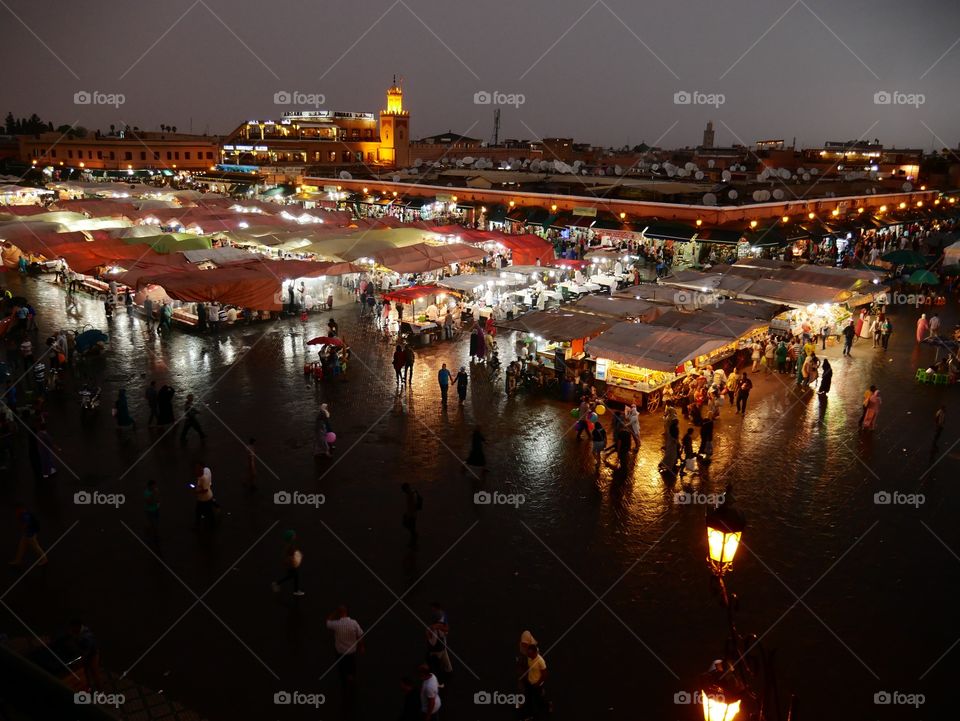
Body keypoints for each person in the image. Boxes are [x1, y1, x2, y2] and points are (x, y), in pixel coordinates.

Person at [326, 605, 364, 688]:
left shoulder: (336, 624)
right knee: (352, 668)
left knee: (342, 669)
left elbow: (328, 622)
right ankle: (351, 680)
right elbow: (360, 635)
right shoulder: (354, 623)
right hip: (351, 652)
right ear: (346, 612)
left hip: (340, 652)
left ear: (339, 614)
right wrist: (361, 647)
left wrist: (334, 613)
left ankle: (344, 683)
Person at [272, 529, 305, 596]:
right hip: (290, 564)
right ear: (291, 537)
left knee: (292, 576)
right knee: (294, 576)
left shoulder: (289, 544)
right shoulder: (290, 545)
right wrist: (298, 556)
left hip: (289, 564)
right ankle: (295, 591)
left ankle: (277, 583)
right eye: (293, 535)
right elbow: (289, 555)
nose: (295, 535)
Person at [522, 643, 549, 718]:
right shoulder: (529, 658)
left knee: (539, 701)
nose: (528, 654)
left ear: (534, 652)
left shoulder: (541, 661)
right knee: (529, 699)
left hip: (537, 684)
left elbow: (545, 675)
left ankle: (544, 713)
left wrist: (538, 684)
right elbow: (529, 668)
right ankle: (530, 715)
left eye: (529, 653)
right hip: (529, 683)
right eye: (528, 653)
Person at [401, 482, 421, 548]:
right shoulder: (412, 493)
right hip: (412, 514)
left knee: (408, 525)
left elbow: (412, 506)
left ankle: (414, 541)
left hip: (412, 515)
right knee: (411, 526)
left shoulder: (411, 495)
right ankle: (414, 539)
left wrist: (408, 515)